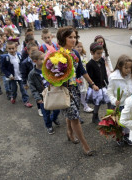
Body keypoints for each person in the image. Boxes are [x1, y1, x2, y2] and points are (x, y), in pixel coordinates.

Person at [56, 26, 95, 156]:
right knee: (76, 118)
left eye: (75, 37)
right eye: (70, 37)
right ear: (63, 39)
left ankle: (69, 132)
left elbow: (82, 71)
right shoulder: (58, 55)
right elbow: (52, 75)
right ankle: (85, 144)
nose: (73, 40)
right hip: (63, 90)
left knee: (73, 115)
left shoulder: (75, 53)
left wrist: (92, 83)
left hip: (75, 89)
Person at [28, 50, 60, 135]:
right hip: (42, 97)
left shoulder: (48, 68)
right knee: (46, 113)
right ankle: (49, 126)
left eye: (44, 58)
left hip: (52, 93)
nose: (44, 60)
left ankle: (53, 118)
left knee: (57, 109)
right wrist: (37, 98)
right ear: (35, 61)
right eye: (41, 59)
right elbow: (32, 87)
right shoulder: (32, 74)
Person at [107, 54, 132, 146]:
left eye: (130, 68)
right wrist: (114, 100)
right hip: (118, 105)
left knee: (128, 121)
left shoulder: (131, 76)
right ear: (119, 66)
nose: (128, 70)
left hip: (129, 104)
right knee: (119, 123)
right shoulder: (113, 77)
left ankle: (127, 135)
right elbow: (109, 92)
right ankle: (119, 136)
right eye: (126, 68)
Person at [0, 41, 33, 108]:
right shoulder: (5, 58)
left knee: (23, 89)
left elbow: (23, 64)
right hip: (13, 77)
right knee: (14, 89)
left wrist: (25, 74)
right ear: (6, 49)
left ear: (16, 48)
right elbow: (3, 68)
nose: (11, 50)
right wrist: (9, 75)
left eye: (13, 48)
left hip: (20, 76)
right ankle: (13, 97)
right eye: (9, 49)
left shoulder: (19, 55)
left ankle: (26, 101)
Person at [86, 42, 111, 124]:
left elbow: (104, 72)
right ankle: (95, 116)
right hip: (96, 87)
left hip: (103, 85)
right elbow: (89, 77)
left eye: (101, 53)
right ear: (92, 52)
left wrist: (107, 82)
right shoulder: (90, 64)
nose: (100, 55)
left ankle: (111, 116)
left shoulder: (102, 60)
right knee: (98, 102)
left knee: (109, 100)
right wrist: (93, 85)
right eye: (98, 53)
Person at [21, 42, 42, 116]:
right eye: (33, 51)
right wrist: (24, 83)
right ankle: (40, 108)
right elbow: (23, 74)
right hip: (33, 81)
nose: (35, 53)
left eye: (36, 51)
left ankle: (47, 105)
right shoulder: (25, 62)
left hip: (41, 79)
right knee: (37, 95)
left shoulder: (40, 59)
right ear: (28, 51)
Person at [74, 41, 93, 113]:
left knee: (84, 90)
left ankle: (84, 102)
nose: (79, 48)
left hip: (85, 75)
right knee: (82, 91)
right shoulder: (74, 56)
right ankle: (85, 105)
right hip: (79, 76)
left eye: (80, 47)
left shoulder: (83, 55)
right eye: (77, 47)